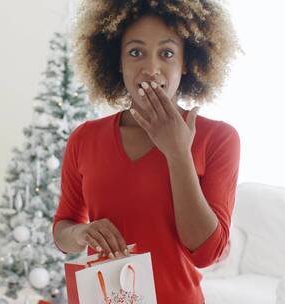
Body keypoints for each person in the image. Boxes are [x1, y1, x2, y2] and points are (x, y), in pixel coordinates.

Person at [52, 0, 241, 303]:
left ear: (186, 62)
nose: (151, 69)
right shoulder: (85, 138)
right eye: (135, 52)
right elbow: (63, 227)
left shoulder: (218, 139)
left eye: (167, 53)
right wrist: (81, 234)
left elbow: (206, 253)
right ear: (118, 61)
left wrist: (178, 153)